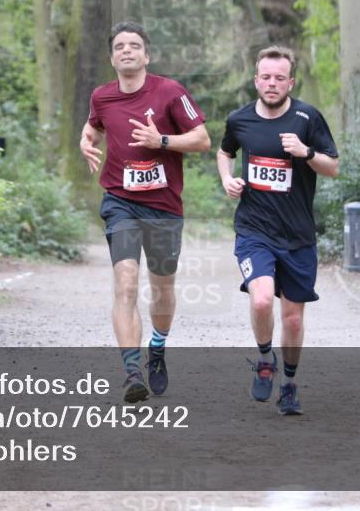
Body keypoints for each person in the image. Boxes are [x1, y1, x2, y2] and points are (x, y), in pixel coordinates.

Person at [80, 21, 211, 402]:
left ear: (146, 55)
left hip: (163, 206)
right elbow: (93, 127)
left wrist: (162, 140)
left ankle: (158, 345)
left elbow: (202, 139)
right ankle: (131, 371)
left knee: (162, 289)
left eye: (134, 45)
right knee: (124, 282)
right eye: (119, 46)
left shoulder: (170, 92)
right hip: (120, 201)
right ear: (111, 57)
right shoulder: (102, 97)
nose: (126, 50)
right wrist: (85, 141)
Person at [216, 45, 339, 415]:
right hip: (255, 229)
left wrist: (305, 152)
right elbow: (225, 152)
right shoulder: (240, 120)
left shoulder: (307, 117)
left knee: (294, 318)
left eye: (279, 78)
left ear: (291, 82)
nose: (272, 84)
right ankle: (265, 358)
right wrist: (227, 179)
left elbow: (332, 166)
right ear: (256, 80)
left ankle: (288, 383)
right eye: (265, 77)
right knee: (262, 299)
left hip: (298, 235)